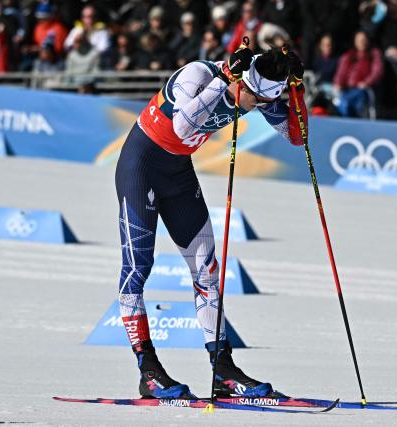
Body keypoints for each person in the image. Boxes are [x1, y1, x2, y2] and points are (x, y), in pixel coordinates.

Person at [115, 42, 307, 398]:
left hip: (177, 171)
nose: (258, 108)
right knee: (137, 268)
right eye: (255, 99)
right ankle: (149, 370)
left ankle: (223, 370)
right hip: (141, 165)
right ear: (244, 81)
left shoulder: (257, 88)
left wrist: (296, 92)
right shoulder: (199, 74)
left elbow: (297, 137)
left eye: (265, 103)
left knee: (207, 269)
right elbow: (183, 125)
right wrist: (224, 82)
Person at [333, 31, 384, 117]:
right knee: (341, 100)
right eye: (359, 40)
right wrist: (338, 83)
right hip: (348, 89)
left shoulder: (374, 53)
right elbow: (341, 73)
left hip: (364, 89)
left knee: (356, 100)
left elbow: (377, 71)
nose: (361, 42)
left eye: (363, 40)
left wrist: (366, 83)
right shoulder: (348, 56)